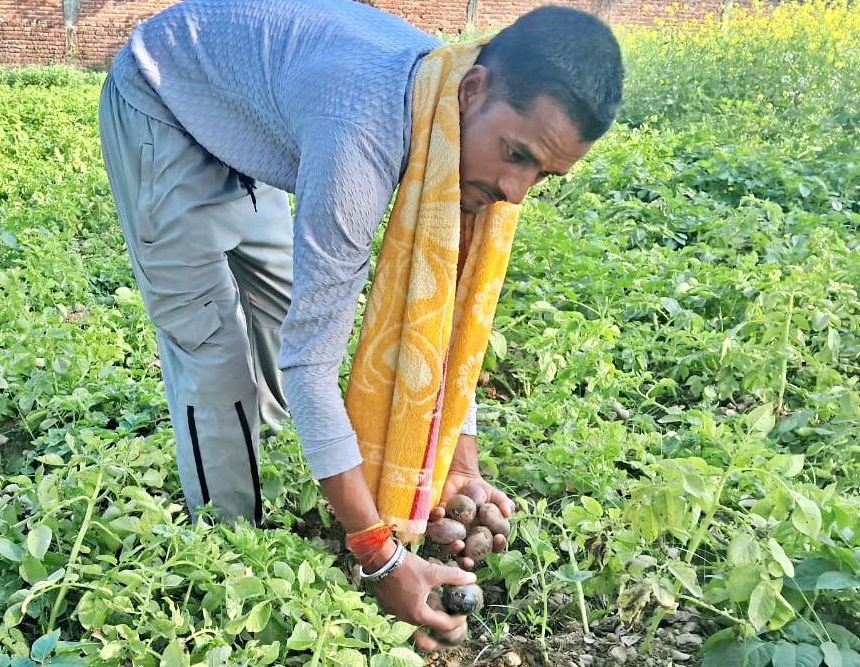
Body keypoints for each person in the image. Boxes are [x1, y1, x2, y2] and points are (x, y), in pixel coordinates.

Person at [98, 0, 623, 651]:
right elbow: (310, 366)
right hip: (165, 93)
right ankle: (225, 555)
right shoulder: (360, 142)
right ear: (475, 89)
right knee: (214, 353)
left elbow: (447, 324)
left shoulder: (444, 98)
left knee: (280, 311)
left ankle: (268, 476)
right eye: (515, 154)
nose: (516, 192)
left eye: (541, 173)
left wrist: (458, 460)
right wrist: (379, 555)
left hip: (249, 97)